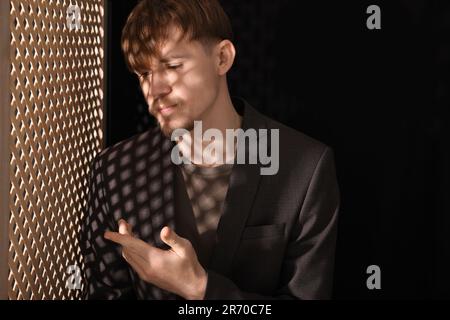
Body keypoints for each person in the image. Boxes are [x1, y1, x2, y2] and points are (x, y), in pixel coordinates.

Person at [80, 0, 340, 300]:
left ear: (222, 58)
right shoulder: (115, 170)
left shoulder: (305, 167)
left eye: (173, 66)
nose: (155, 88)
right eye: (143, 73)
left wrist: (201, 289)